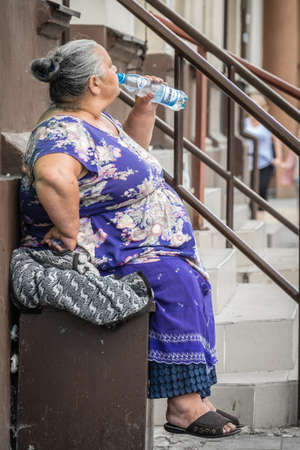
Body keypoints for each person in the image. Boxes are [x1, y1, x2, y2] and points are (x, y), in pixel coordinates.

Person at [20, 39, 242, 438]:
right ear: (93, 82)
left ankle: (197, 397)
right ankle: (183, 408)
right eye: (109, 67)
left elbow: (128, 161)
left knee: (186, 277)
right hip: (108, 248)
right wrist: (69, 231)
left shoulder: (95, 119)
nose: (117, 72)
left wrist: (144, 108)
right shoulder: (62, 129)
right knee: (173, 280)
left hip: (136, 241)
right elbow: (53, 175)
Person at [244, 92, 281, 203]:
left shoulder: (267, 122)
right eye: (251, 105)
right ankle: (254, 215)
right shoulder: (244, 122)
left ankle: (261, 216)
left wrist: (278, 158)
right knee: (251, 192)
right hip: (249, 162)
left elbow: (276, 140)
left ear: (263, 107)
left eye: (257, 106)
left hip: (265, 161)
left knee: (262, 189)